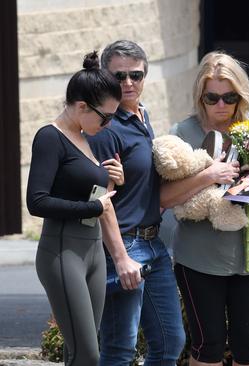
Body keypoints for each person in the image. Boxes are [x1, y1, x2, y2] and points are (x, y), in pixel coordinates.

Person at [160, 51, 249, 366]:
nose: (221, 105)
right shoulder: (183, 132)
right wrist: (207, 176)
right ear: (200, 97)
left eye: (229, 97)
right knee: (207, 347)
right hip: (198, 258)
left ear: (240, 94)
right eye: (212, 97)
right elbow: (164, 198)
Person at [26, 51, 142, 366]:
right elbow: (36, 201)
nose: (108, 125)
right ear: (81, 107)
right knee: (87, 354)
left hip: (92, 253)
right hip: (63, 252)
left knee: (79, 351)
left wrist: (114, 181)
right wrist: (91, 207)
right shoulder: (50, 138)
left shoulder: (84, 137)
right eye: (104, 117)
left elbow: (94, 193)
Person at [86, 40, 185, 366]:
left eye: (136, 75)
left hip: (154, 244)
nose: (128, 83)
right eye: (119, 76)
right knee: (119, 349)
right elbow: (99, 198)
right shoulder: (105, 127)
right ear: (104, 76)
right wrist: (120, 257)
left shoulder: (142, 115)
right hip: (123, 248)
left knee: (171, 343)